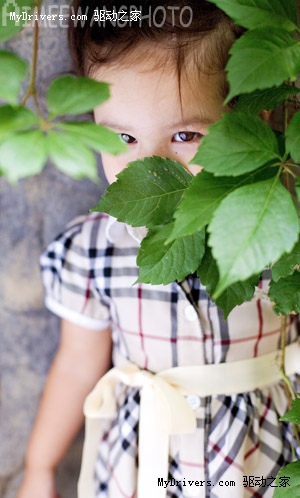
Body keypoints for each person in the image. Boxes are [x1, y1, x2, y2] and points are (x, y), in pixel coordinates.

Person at [17, 1, 300, 498]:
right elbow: (79, 364)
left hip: (262, 460)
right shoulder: (95, 249)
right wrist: (40, 467)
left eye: (186, 135)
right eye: (122, 137)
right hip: (148, 464)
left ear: (252, 121)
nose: (150, 169)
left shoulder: (281, 227)